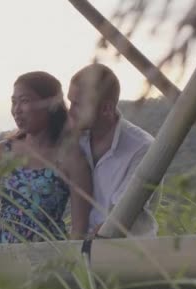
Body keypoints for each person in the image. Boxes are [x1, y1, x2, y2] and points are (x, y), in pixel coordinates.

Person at [0, 71, 92, 243]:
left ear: (51, 105)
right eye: (14, 102)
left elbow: (79, 231)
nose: (17, 110)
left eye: (25, 101)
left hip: (50, 260)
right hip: (1, 261)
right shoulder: (3, 151)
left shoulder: (71, 157)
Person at [66, 63, 158, 238]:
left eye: (77, 105)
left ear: (106, 109)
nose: (70, 111)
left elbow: (122, 213)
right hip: (82, 251)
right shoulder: (74, 139)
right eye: (70, 102)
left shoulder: (142, 148)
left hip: (128, 253)